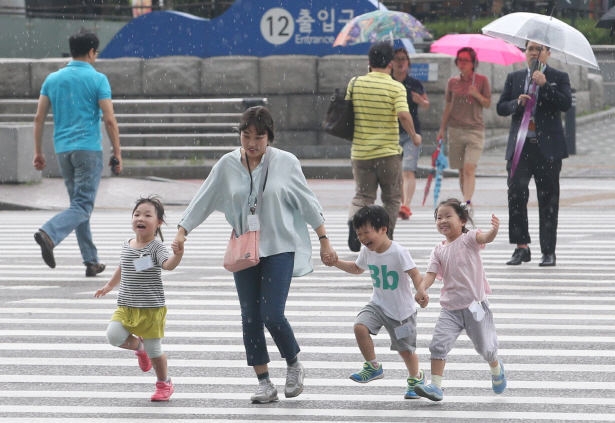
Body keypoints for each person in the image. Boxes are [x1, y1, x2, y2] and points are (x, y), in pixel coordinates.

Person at [173, 106, 337, 404]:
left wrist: (324, 239)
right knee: (250, 317)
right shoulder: (227, 164)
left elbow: (308, 202)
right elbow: (204, 198)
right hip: (244, 250)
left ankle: (293, 363)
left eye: (259, 137)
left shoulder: (286, 163)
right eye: (246, 135)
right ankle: (264, 383)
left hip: (279, 247)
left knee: (272, 314)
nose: (251, 143)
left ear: (269, 137)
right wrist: (183, 230)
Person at [33, 29, 122, 277]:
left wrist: (38, 151)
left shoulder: (53, 79)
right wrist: (117, 151)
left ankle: (91, 261)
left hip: (63, 150)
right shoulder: (98, 79)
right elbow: (110, 120)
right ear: (92, 52)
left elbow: (39, 117)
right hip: (88, 150)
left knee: (78, 205)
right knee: (83, 205)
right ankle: (49, 233)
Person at [325, 205, 426, 399]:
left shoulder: (399, 252)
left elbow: (414, 273)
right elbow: (357, 268)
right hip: (378, 305)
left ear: (383, 229)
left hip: (402, 313)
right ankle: (373, 367)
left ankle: (416, 378)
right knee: (360, 327)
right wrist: (336, 262)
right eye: (358, 233)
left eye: (366, 232)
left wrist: (421, 292)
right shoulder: (367, 251)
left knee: (405, 351)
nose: (362, 238)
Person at [413, 198, 506, 402]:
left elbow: (485, 238)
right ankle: (436, 386)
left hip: (475, 306)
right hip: (450, 309)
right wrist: (421, 288)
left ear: (462, 220)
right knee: (438, 344)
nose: (442, 221)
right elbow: (430, 274)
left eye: (448, 216)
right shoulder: (438, 250)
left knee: (485, 347)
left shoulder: (469, 239)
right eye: (439, 217)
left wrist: (494, 230)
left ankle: (496, 367)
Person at [94, 196, 183, 401]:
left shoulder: (156, 247)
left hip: (150, 308)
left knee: (155, 350)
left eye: (147, 215)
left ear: (158, 222)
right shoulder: (127, 244)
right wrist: (108, 286)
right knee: (114, 336)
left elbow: (168, 265)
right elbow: (123, 267)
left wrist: (178, 255)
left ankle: (164, 383)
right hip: (126, 305)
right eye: (137, 214)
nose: (140, 218)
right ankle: (139, 348)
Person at [496, 40, 572, 267]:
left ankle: (548, 251)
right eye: (530, 49)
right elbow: (501, 107)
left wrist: (546, 85)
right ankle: (521, 247)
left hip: (547, 149)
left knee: (548, 200)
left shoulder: (559, 77)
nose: (534, 53)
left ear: (548, 53)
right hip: (520, 147)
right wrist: (516, 103)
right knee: (516, 194)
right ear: (525, 53)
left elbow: (566, 103)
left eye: (539, 49)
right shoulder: (515, 77)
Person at [345, 41, 422, 251]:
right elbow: (404, 115)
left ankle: (355, 221)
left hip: (361, 152)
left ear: (369, 63)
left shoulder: (355, 83)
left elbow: (347, 111)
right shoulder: (396, 86)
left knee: (363, 195)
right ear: (390, 63)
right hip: (388, 153)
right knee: (391, 198)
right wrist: (414, 136)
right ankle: (385, 235)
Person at [437, 48, 491, 216]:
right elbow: (448, 105)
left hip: (475, 130)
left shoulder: (481, 81)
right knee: (461, 170)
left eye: (465, 60)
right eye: (459, 59)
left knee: (469, 168)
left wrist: (476, 94)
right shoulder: (452, 82)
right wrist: (442, 128)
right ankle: (466, 199)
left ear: (473, 63)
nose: (461, 63)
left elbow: (488, 104)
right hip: (455, 130)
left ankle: (466, 202)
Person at [392, 47, 430, 220]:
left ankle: (406, 205)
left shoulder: (414, 83)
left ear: (408, 63)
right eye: (397, 59)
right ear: (391, 63)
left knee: (408, 170)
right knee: (397, 172)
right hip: (390, 132)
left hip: (411, 132)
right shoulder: (388, 82)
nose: (401, 62)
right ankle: (401, 204)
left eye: (404, 59)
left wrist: (420, 101)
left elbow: (426, 105)